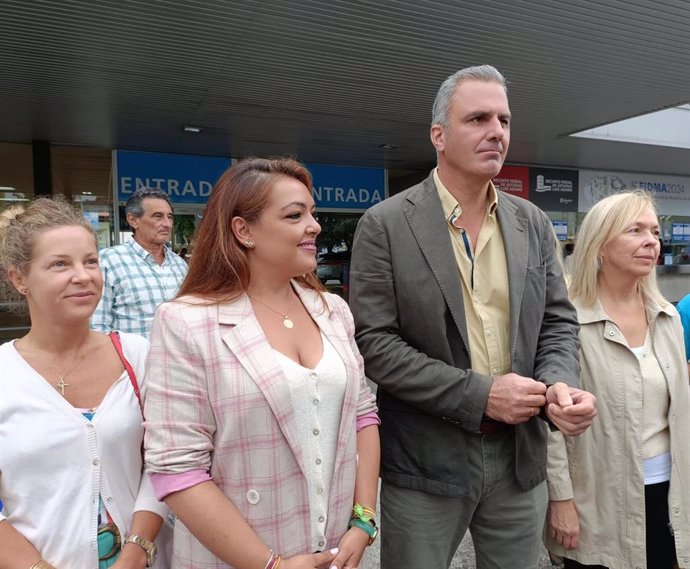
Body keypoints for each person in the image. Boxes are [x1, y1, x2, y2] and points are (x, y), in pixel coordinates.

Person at [349, 64, 597, 569]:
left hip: (519, 457)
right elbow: (375, 344)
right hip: (425, 461)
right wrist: (483, 395)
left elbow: (556, 322)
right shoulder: (386, 224)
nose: (497, 132)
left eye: (504, 120)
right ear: (439, 135)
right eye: (478, 118)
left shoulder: (530, 220)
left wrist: (559, 384)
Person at [143, 157, 381, 569]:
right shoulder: (186, 321)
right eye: (295, 215)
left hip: (332, 552)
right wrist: (270, 565)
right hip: (239, 557)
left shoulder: (333, 311)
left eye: (313, 212)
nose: (315, 226)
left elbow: (363, 416)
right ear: (243, 230)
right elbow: (177, 470)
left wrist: (363, 519)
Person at [0, 197, 168, 568]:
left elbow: (164, 461)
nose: (83, 275)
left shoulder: (136, 355)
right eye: (60, 264)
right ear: (19, 278)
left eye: (90, 261)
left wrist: (136, 551)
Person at [545, 191, 690, 569]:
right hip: (598, 501)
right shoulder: (567, 321)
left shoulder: (668, 318)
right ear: (601, 244)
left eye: (656, 232)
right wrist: (561, 500)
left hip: (669, 497)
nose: (651, 241)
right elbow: (550, 425)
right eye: (635, 230)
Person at [91, 187, 188, 337]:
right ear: (133, 220)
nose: (167, 224)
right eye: (158, 216)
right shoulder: (109, 261)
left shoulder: (180, 265)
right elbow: (98, 327)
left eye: (169, 217)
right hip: (131, 360)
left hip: (176, 358)